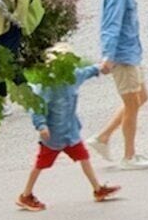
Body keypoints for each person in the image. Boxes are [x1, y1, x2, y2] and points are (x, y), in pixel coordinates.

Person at [17, 55, 121, 211]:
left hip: (70, 133)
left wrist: (101, 67)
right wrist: (41, 125)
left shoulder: (72, 76)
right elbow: (37, 107)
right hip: (53, 136)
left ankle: (98, 189)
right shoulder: (47, 86)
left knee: (84, 158)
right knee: (40, 164)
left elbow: (86, 72)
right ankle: (26, 195)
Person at [93, 0, 148, 169]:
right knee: (132, 104)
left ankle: (103, 137)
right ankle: (129, 156)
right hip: (122, 56)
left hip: (131, 53)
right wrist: (108, 55)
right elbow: (111, 24)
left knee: (140, 98)